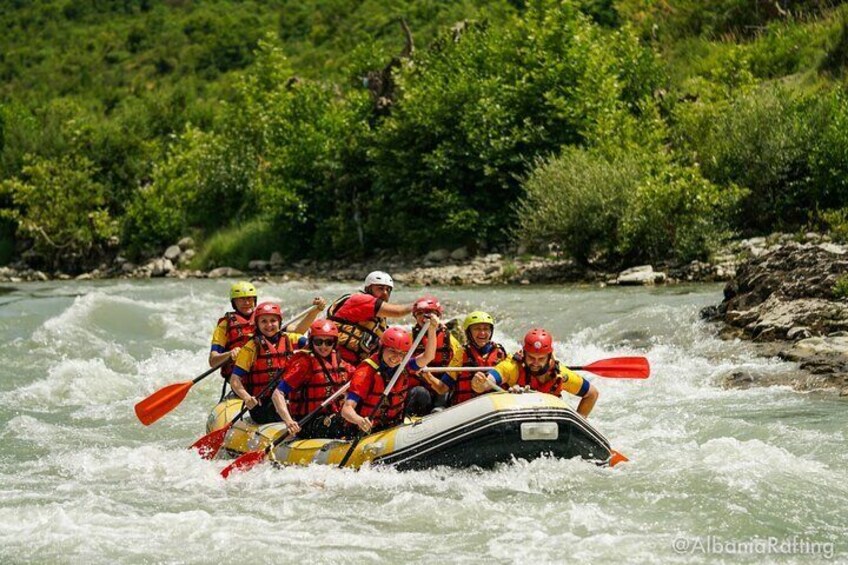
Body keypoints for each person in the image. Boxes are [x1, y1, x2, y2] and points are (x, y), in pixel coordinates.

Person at [230, 300, 325, 424]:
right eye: (264, 321)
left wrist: (316, 312)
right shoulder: (251, 347)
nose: (269, 325)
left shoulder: (289, 338)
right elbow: (234, 379)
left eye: (273, 321)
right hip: (262, 405)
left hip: (287, 398)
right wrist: (246, 397)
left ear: (279, 322)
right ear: (257, 324)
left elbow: (314, 344)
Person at [341, 318, 441, 434]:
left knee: (420, 393)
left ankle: (412, 426)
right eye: (392, 351)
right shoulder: (367, 370)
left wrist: (432, 329)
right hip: (366, 429)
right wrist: (359, 420)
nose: (396, 357)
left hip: (392, 424)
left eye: (401, 353)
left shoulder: (403, 365)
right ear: (382, 348)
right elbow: (346, 409)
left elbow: (428, 357)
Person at [471, 328, 599, 418]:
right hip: (514, 417)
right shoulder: (511, 367)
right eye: (531, 357)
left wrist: (581, 418)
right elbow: (489, 381)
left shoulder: (560, 373)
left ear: (549, 357)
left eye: (541, 358)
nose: (535, 363)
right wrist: (480, 384)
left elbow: (592, 394)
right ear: (524, 354)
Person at [271, 319, 355, 439]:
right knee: (339, 424)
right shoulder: (304, 364)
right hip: (307, 422)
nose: (323, 346)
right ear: (311, 342)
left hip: (333, 416)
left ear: (334, 343)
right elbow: (277, 393)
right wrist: (288, 421)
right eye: (318, 341)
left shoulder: (341, 363)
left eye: (328, 342)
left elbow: (360, 380)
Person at [326, 271, 417, 365]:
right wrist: (420, 305)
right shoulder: (360, 300)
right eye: (380, 288)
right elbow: (399, 312)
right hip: (337, 361)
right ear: (368, 289)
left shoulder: (379, 316)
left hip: (355, 363)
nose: (385, 293)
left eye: (388, 290)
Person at [408, 296, 463, 412]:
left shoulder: (450, 340)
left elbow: (457, 366)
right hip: (419, 388)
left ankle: (440, 409)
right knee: (420, 392)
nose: (424, 317)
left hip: (441, 387)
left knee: (447, 387)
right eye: (419, 313)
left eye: (429, 313)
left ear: (438, 316)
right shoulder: (409, 338)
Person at [450, 311, 508, 406]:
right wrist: (427, 375)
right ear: (468, 332)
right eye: (477, 329)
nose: (482, 333)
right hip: (466, 405)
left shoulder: (500, 352)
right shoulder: (461, 353)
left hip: (494, 404)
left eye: (486, 329)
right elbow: (443, 386)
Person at [208, 281, 258, 389]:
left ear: (255, 300)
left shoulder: (265, 319)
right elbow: (213, 361)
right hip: (239, 378)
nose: (247, 303)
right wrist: (230, 354)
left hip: (263, 374)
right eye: (241, 299)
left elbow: (296, 331)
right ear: (234, 303)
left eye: (250, 298)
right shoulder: (225, 325)